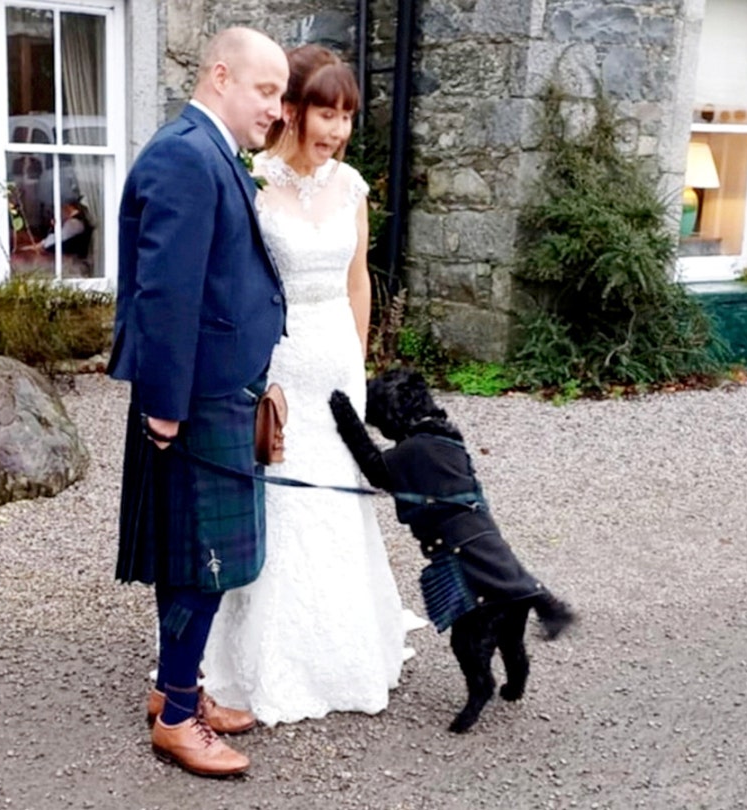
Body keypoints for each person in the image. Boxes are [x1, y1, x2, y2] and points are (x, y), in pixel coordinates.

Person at [201, 43, 423, 726]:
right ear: (292, 110)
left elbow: (358, 279)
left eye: (348, 116)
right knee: (280, 502)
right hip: (279, 361)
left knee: (341, 500)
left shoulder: (351, 185)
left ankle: (347, 646)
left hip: (334, 357)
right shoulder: (253, 179)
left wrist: (356, 365)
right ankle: (260, 659)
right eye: (326, 113)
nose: (336, 131)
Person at [108, 28, 289, 778]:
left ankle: (174, 689)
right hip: (196, 397)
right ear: (221, 75)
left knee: (193, 557)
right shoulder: (188, 154)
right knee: (202, 564)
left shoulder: (208, 150)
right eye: (266, 90)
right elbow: (166, 292)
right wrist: (165, 406)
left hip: (215, 388)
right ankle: (179, 722)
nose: (276, 110)